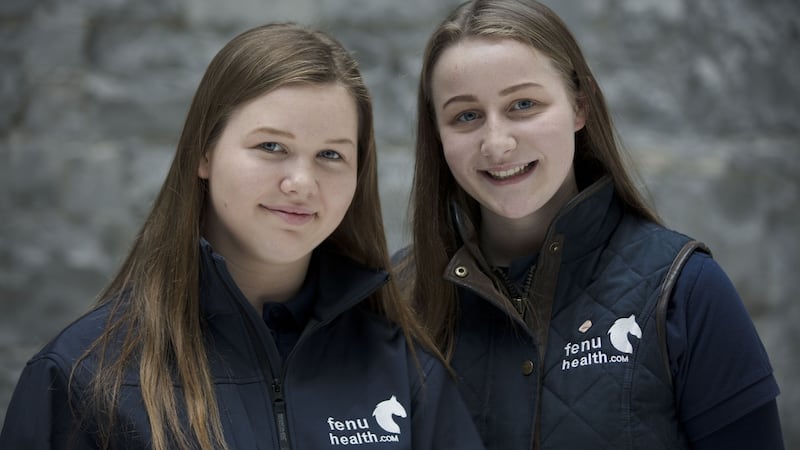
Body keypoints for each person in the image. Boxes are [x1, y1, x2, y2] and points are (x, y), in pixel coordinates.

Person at [0, 23, 485, 450]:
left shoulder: (406, 369)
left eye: (331, 155)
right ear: (204, 153)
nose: (301, 183)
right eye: (271, 147)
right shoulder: (81, 376)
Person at [395, 0, 785, 449]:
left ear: (579, 107)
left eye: (523, 104)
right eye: (466, 116)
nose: (497, 143)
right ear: (438, 135)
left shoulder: (685, 290)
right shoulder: (399, 303)